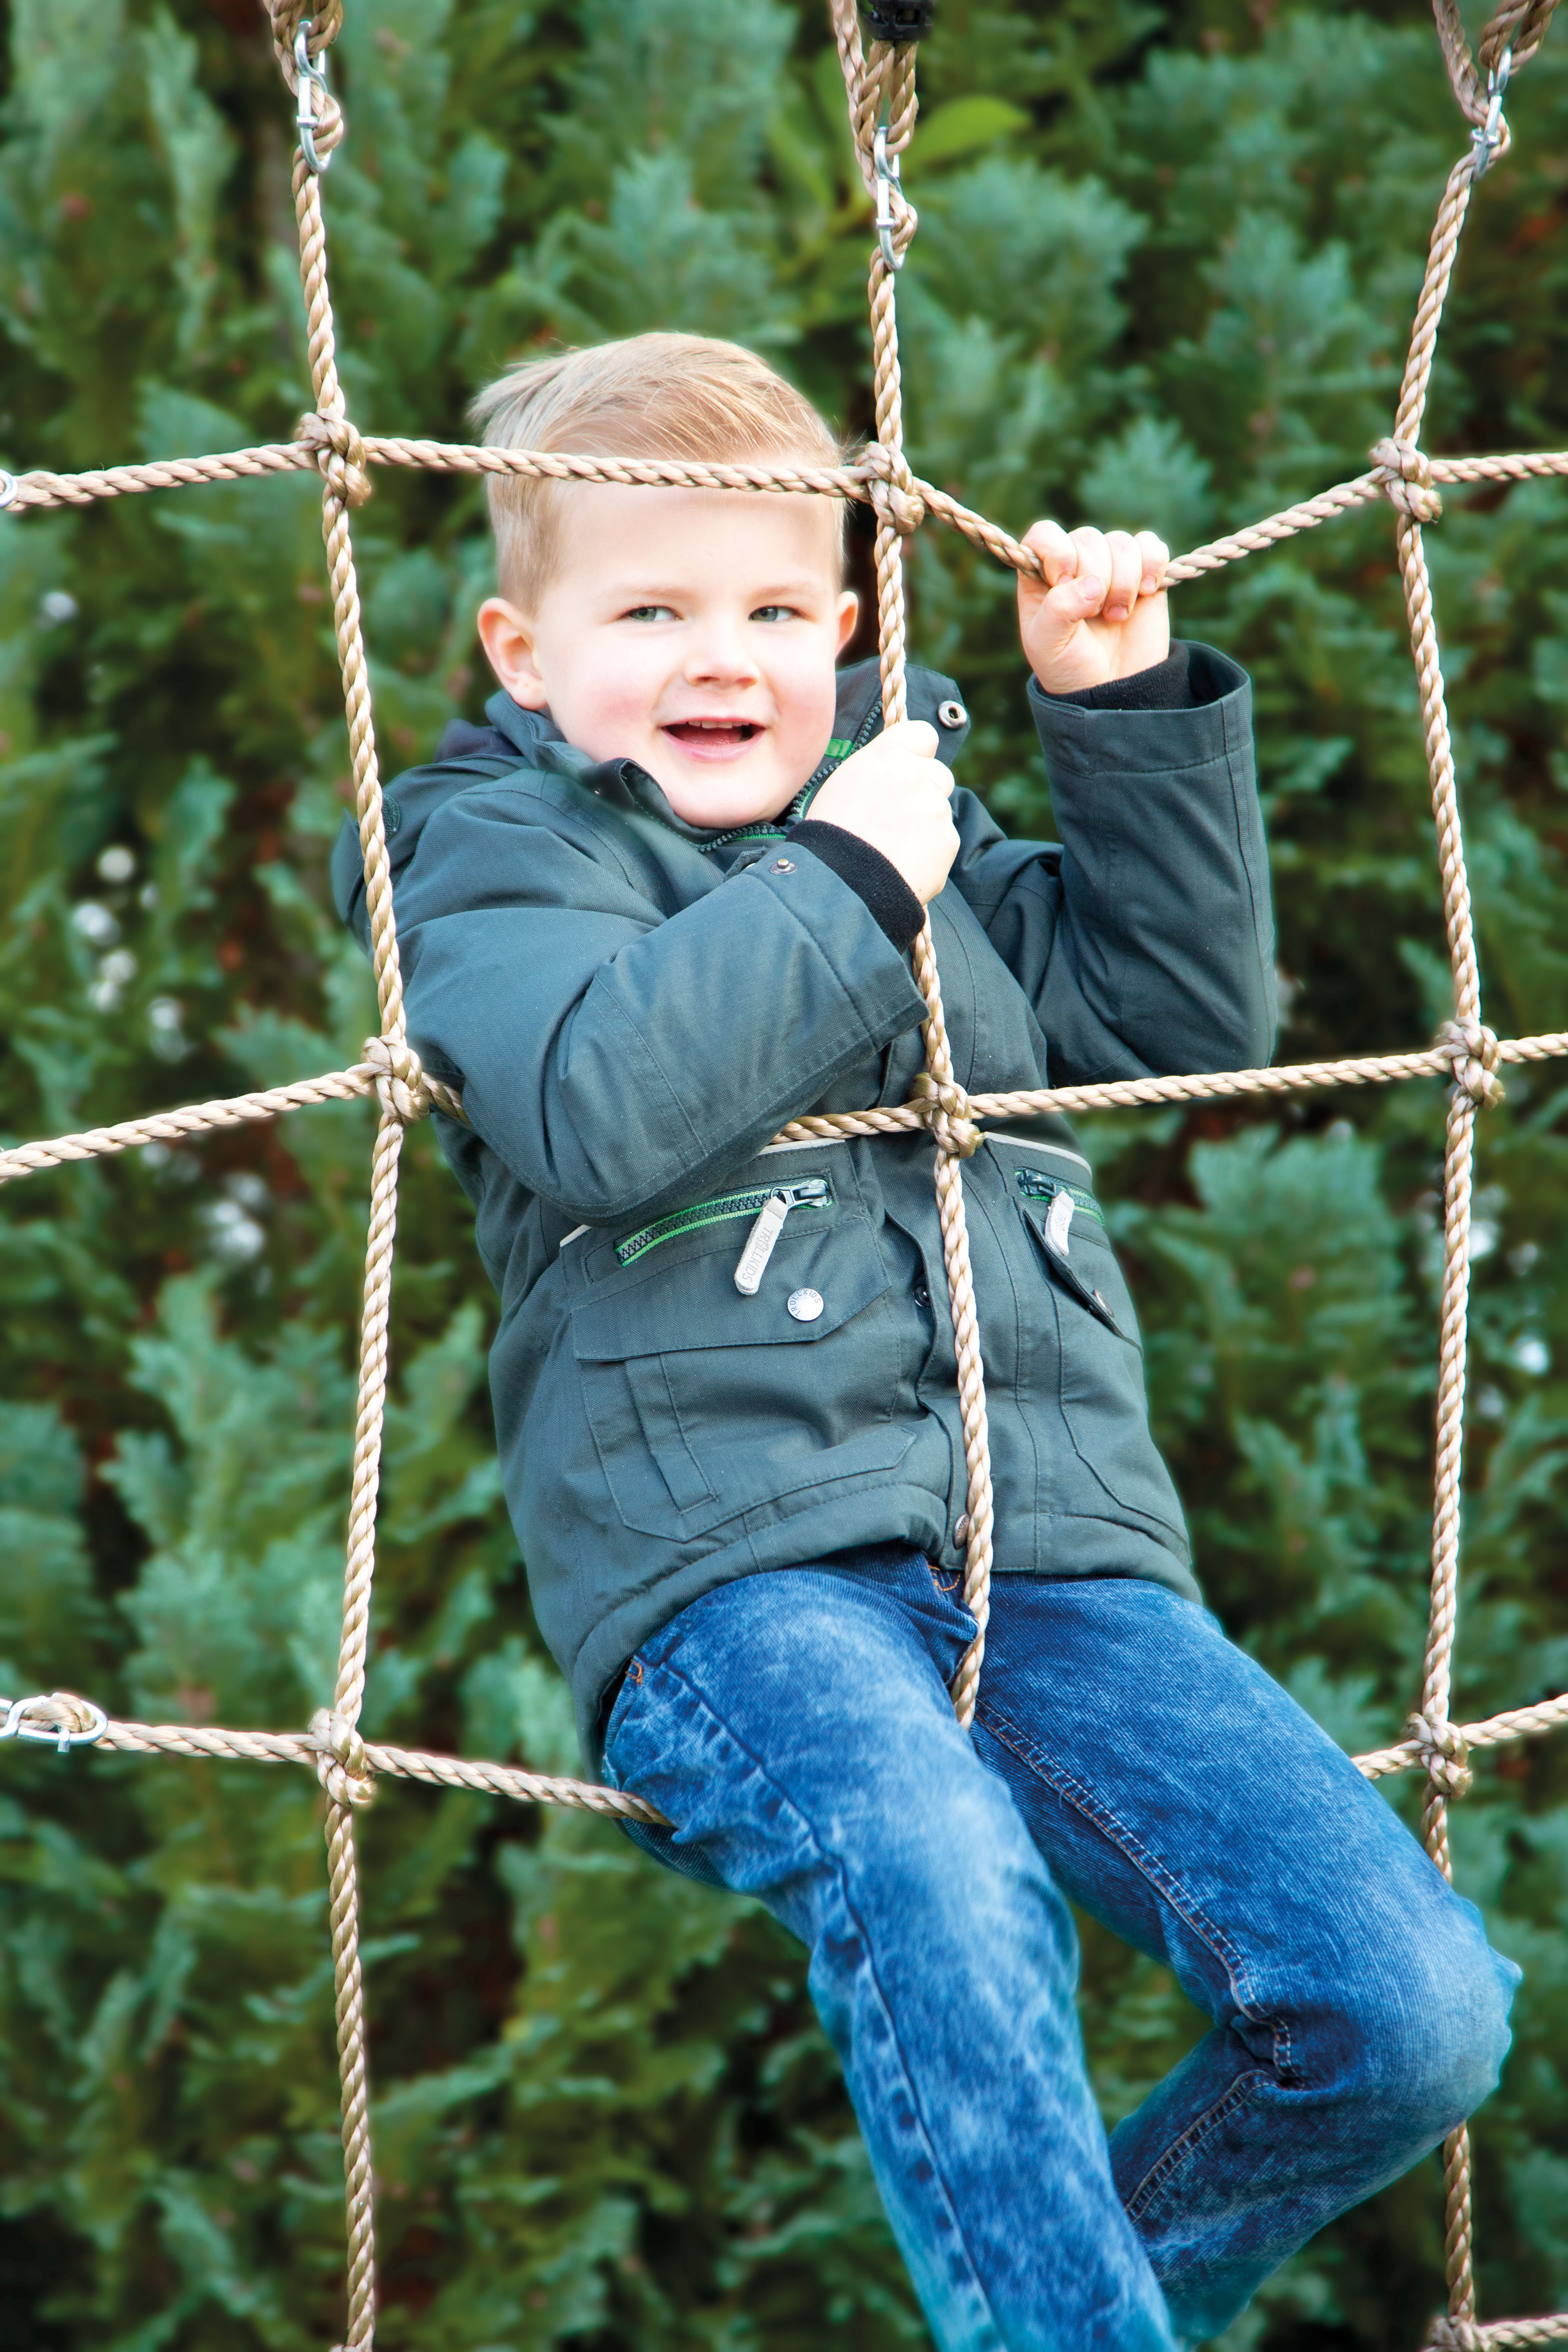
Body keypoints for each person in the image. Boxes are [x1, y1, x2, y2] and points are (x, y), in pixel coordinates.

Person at [334, 333, 1518, 2352]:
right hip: (740, 1585)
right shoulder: (500, 854)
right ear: (522, 653)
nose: (726, 658)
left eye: (778, 610)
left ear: (852, 623)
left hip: (1051, 1559)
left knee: (1407, 2011)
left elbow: (1179, 1027)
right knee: (943, 1865)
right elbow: (597, 1107)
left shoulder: (927, 834)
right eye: (653, 612)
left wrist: (1111, 707)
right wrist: (848, 872)